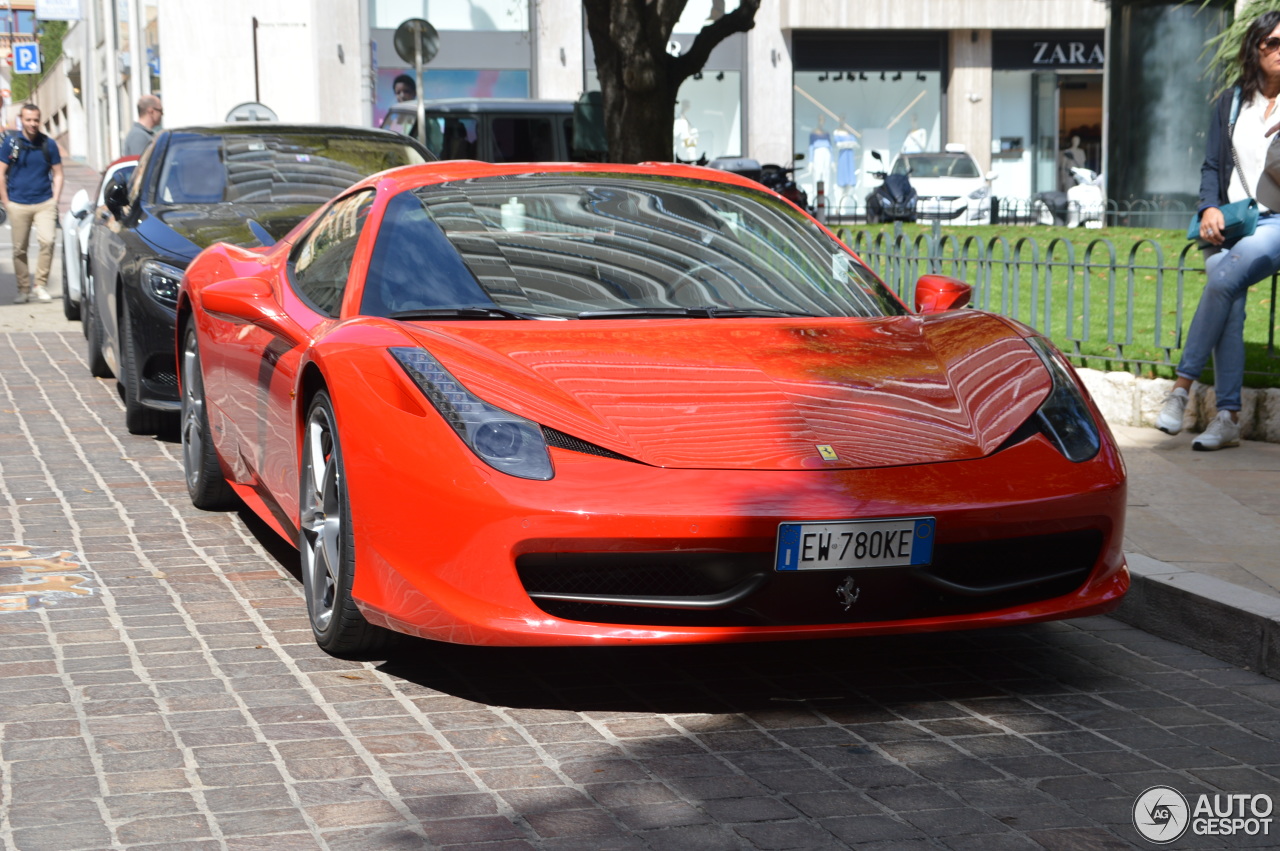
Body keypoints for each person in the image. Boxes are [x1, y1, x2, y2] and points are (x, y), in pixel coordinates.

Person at [1156, 11, 1280, 450]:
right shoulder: (1231, 102)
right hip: (1229, 221)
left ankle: (1180, 390)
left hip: (1275, 221)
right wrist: (1209, 207)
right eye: (1275, 43)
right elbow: (1212, 165)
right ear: (1256, 48)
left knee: (1223, 279)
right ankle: (1226, 417)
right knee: (1229, 304)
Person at [0, 104, 63, 304]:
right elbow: (1, 173)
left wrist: (55, 199)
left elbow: (59, 173)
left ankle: (40, 285)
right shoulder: (11, 143)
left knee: (48, 241)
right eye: (28, 120)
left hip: (44, 202)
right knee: (20, 249)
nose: (33, 124)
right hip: (17, 203)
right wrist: (6, 202)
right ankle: (23, 289)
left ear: (40, 119)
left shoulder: (49, 144)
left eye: (36, 119)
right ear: (21, 120)